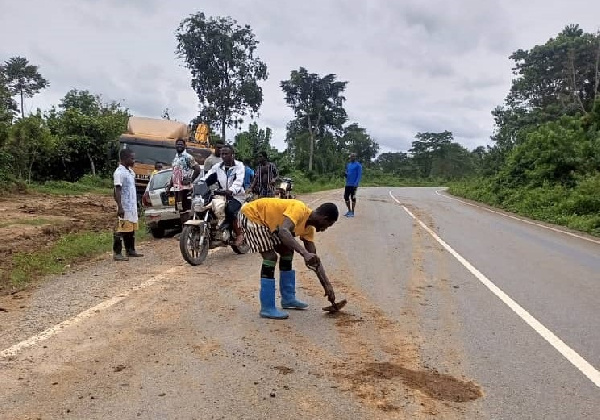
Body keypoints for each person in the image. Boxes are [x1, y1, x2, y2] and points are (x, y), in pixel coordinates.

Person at [238, 198, 339, 319]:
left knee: (287, 252)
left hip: (270, 224)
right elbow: (283, 231)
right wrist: (304, 253)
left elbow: (315, 260)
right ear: (325, 218)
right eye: (328, 225)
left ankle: (288, 299)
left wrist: (327, 285)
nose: (325, 229)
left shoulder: (308, 230)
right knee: (270, 257)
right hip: (252, 215)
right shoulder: (300, 209)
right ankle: (267, 307)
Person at [201, 145, 246, 246]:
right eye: (222, 154)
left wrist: (231, 190)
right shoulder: (218, 167)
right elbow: (207, 177)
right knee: (207, 206)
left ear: (232, 155)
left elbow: (238, 181)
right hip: (222, 194)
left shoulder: (239, 166)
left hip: (237, 195)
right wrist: (199, 185)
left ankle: (239, 234)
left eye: (226, 154)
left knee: (230, 210)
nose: (224, 156)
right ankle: (215, 229)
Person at [113, 148, 144, 261]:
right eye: (132, 158)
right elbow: (117, 190)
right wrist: (120, 207)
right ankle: (117, 253)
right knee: (121, 229)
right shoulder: (119, 172)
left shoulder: (130, 172)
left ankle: (130, 250)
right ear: (125, 159)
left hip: (132, 207)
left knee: (131, 230)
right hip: (124, 206)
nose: (134, 160)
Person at [166, 138, 202, 225]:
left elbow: (197, 169)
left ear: (185, 146)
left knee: (186, 210)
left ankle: (187, 232)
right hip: (177, 189)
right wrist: (169, 186)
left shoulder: (188, 157)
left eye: (181, 144)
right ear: (175, 146)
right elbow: (174, 174)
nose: (179, 146)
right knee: (181, 210)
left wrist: (191, 179)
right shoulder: (175, 158)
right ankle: (184, 232)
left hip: (185, 189)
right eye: (177, 144)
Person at [343, 153, 362, 217]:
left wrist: (356, 183)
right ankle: (349, 210)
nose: (351, 158)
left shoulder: (358, 165)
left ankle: (352, 212)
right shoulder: (349, 165)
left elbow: (359, 175)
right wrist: (345, 174)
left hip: (354, 185)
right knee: (346, 197)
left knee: (353, 198)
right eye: (351, 157)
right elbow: (348, 174)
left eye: (353, 157)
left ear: (355, 157)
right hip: (347, 184)